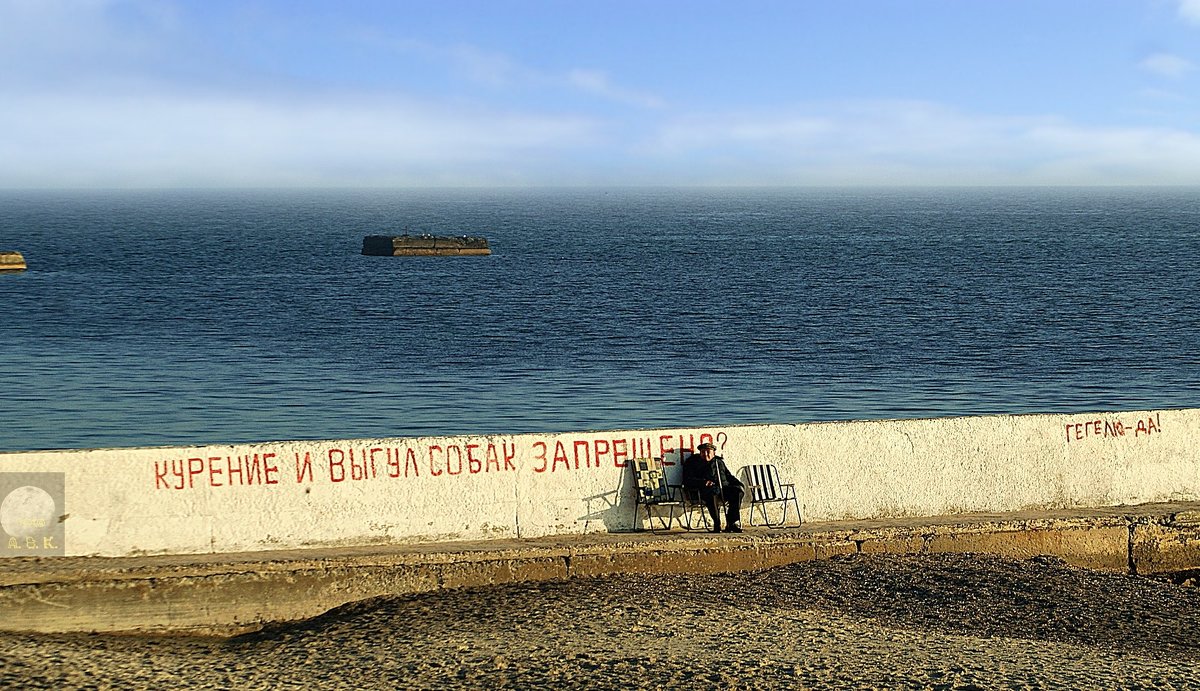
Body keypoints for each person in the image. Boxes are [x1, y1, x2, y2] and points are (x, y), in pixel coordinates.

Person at [681, 442, 745, 533]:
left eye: (708, 452)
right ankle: (717, 523)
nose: (705, 454)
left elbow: (728, 476)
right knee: (712, 493)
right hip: (705, 491)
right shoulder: (693, 463)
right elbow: (687, 479)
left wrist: (738, 484)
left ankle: (732, 523)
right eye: (703, 452)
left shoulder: (719, 462)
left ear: (714, 453)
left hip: (723, 489)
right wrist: (703, 482)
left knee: (737, 492)